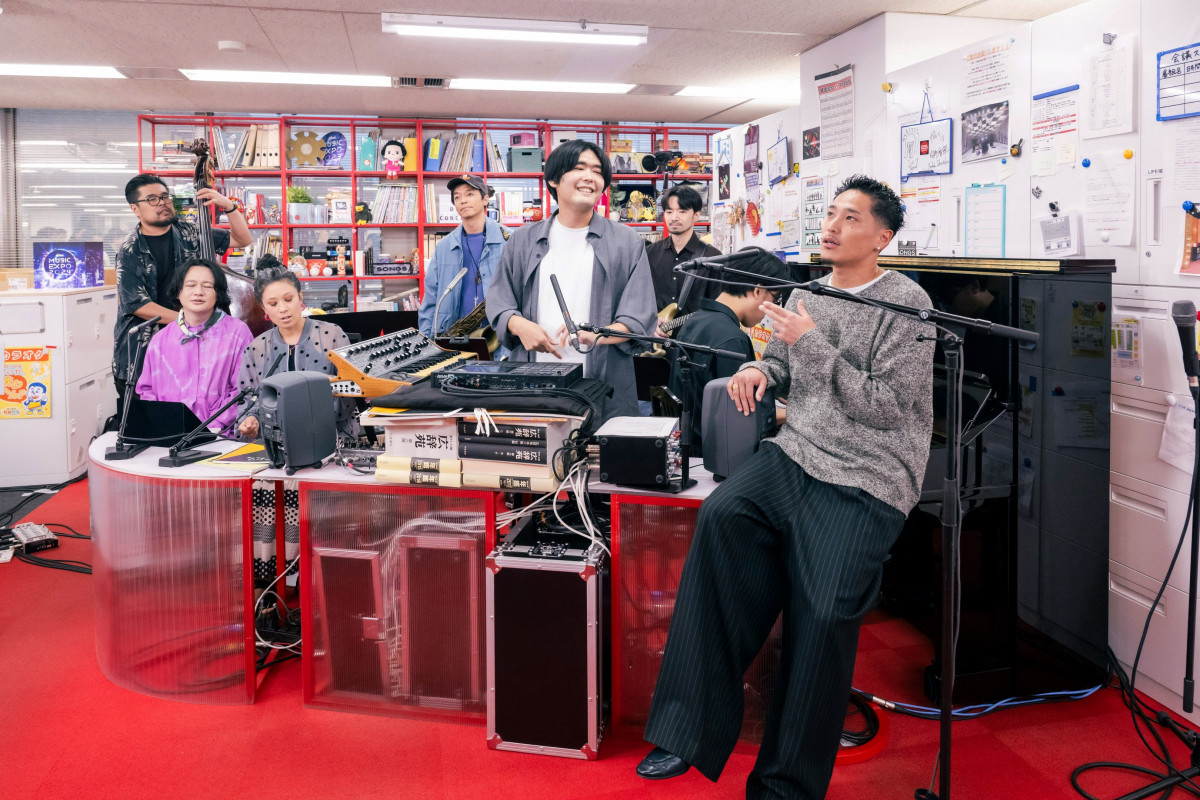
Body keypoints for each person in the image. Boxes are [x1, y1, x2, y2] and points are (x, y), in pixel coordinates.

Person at [637, 176, 936, 799]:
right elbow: (780, 361)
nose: (832, 226)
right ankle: (688, 730)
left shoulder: (909, 304)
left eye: (850, 217)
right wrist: (757, 369)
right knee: (722, 516)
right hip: (798, 451)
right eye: (830, 214)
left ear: (882, 237)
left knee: (823, 612)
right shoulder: (807, 292)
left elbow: (887, 408)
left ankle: (785, 786)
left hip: (870, 471)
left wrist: (814, 344)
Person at [486, 139, 657, 421]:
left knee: (601, 447)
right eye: (579, 168)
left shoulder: (627, 242)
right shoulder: (523, 240)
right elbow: (500, 301)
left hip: (602, 387)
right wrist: (519, 325)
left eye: (597, 171)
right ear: (554, 179)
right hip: (533, 384)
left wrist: (599, 334)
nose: (590, 177)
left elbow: (639, 317)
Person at [113, 173, 252, 403]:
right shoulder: (130, 250)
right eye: (152, 199)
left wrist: (229, 207)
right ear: (135, 209)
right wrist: (190, 322)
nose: (162, 203)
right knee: (151, 416)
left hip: (188, 346)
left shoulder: (188, 232)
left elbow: (242, 239)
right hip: (143, 349)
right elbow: (137, 304)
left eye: (165, 196)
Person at [666, 248, 790, 457]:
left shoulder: (695, 321)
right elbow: (743, 415)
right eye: (775, 299)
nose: (772, 310)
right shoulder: (733, 339)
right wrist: (796, 414)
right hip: (715, 457)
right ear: (758, 291)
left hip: (691, 449)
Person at [134, 257, 253, 435]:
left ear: (218, 293)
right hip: (169, 434)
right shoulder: (160, 340)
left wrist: (212, 427)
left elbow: (245, 389)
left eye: (207, 286)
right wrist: (164, 423)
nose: (198, 292)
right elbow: (146, 390)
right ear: (178, 292)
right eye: (190, 285)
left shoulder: (238, 333)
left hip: (221, 435)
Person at [417, 174, 509, 338]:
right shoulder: (443, 247)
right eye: (457, 197)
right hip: (454, 337)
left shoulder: (509, 240)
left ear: (485, 199)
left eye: (469, 194)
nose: (463, 200)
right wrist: (425, 340)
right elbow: (430, 298)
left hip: (501, 337)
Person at [645, 184, 722, 317]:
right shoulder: (650, 253)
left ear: (696, 215)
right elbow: (639, 296)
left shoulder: (712, 257)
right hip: (654, 329)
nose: (674, 217)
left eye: (682, 212)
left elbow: (718, 306)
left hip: (695, 329)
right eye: (669, 212)